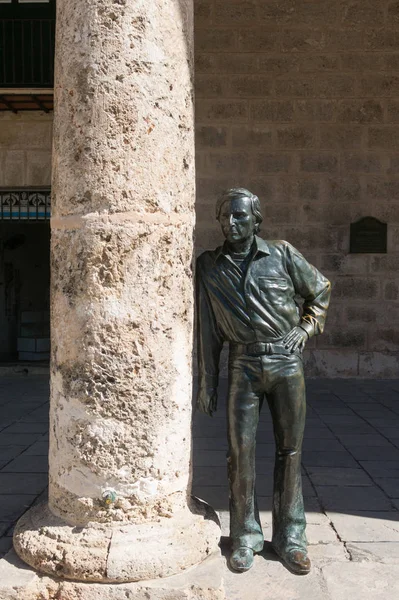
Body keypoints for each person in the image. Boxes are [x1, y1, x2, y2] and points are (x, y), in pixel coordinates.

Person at [196, 188, 331, 574]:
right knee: (240, 453)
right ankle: (245, 536)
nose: (231, 224)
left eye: (239, 217)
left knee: (290, 451)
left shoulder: (282, 253)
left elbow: (320, 291)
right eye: (225, 217)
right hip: (243, 366)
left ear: (257, 220)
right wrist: (208, 382)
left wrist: (305, 330)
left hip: (287, 364)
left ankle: (291, 538)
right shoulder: (209, 265)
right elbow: (207, 330)